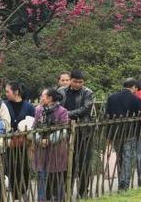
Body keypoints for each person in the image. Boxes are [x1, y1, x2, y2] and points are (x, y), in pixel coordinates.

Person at [105, 78, 141, 190]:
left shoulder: (111, 98)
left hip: (116, 133)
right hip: (130, 133)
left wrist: (108, 135)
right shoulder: (136, 99)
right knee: (127, 157)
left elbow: (107, 116)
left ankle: (122, 179)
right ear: (134, 87)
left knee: (120, 157)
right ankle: (124, 182)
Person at [61, 69, 94, 197]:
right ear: (71, 80)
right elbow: (56, 106)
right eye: (75, 82)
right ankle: (66, 190)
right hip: (65, 131)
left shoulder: (88, 92)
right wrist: (63, 116)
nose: (78, 84)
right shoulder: (61, 92)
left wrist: (66, 114)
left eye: (80, 82)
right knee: (67, 162)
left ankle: (83, 191)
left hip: (83, 131)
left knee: (84, 161)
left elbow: (85, 109)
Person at [32, 87, 69, 202]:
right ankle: (42, 199)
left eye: (42, 96)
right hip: (41, 149)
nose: (41, 98)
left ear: (50, 98)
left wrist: (49, 140)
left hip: (56, 148)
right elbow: (34, 127)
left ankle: (59, 198)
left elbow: (64, 130)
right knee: (41, 175)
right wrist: (39, 139)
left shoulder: (62, 111)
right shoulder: (38, 110)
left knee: (57, 176)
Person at [4, 81, 35, 201]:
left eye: (8, 91)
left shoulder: (29, 107)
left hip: (24, 143)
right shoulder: (4, 105)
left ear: (16, 92)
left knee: (24, 168)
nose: (6, 94)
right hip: (9, 143)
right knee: (11, 168)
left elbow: (33, 123)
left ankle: (24, 190)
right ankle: (15, 195)